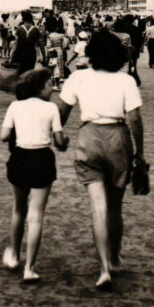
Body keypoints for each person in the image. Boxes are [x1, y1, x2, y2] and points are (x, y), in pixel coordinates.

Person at [58, 31, 145, 291]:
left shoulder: (77, 77)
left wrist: (57, 135)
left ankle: (104, 267)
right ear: (118, 54)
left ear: (91, 53)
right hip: (118, 137)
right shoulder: (126, 80)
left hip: (89, 136)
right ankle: (115, 258)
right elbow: (135, 119)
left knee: (98, 207)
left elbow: (62, 111)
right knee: (115, 208)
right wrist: (140, 153)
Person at [0, 69, 68, 283]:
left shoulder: (15, 106)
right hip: (42, 159)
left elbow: (3, 136)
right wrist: (64, 142)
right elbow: (58, 141)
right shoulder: (51, 108)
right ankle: (30, 267)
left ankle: (13, 255)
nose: (52, 88)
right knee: (36, 215)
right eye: (49, 84)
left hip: (20, 157)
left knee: (18, 209)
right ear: (39, 88)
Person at [10, 10, 40, 76]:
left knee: (20, 73)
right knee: (29, 73)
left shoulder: (19, 29)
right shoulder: (36, 30)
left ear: (23, 19)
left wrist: (11, 57)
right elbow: (41, 45)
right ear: (31, 20)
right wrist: (44, 56)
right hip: (31, 54)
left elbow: (15, 44)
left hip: (19, 53)